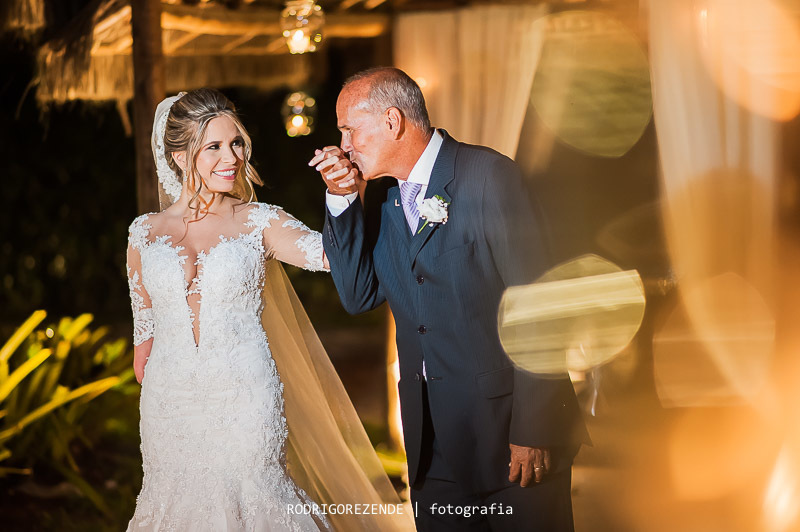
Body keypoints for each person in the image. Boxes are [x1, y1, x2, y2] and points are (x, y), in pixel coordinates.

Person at [311, 67, 590, 531]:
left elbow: (540, 305)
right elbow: (359, 295)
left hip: (511, 438)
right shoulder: (382, 199)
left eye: (348, 129)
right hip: (432, 449)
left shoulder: (489, 176)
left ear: (391, 121)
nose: (343, 146)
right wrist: (342, 199)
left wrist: (533, 430)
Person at [125, 88, 412, 531]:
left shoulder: (262, 221)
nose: (232, 157)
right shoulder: (143, 233)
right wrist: (159, 377)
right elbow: (143, 339)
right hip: (170, 407)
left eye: (236, 142)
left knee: (255, 495)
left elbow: (334, 256)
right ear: (180, 157)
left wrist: (342, 195)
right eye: (214, 146)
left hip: (245, 396)